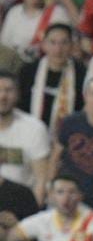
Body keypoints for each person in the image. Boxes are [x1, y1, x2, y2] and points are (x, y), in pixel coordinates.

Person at [51, 77, 93, 211]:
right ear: (85, 96)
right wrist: (50, 188)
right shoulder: (70, 122)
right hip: (65, 198)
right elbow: (55, 158)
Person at [21, 23, 85, 133]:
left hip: (67, 137)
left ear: (72, 46)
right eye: (52, 42)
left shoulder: (81, 74)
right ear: (44, 45)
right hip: (30, 134)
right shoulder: (28, 71)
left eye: (64, 43)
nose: (58, 49)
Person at [0, 69, 50, 204]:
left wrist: (31, 218)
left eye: (8, 90)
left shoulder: (34, 128)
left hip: (19, 205)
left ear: (17, 94)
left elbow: (42, 180)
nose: (2, 96)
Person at [1, 0, 71, 63]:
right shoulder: (13, 12)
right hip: (15, 68)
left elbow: (66, 47)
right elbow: (5, 47)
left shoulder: (58, 13)